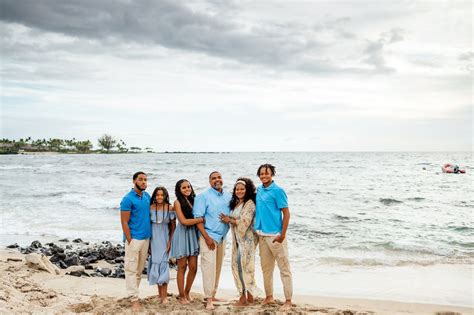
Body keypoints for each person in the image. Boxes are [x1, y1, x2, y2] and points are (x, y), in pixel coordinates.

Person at [254, 164, 293, 311]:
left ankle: (288, 301)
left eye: (266, 173)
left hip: (276, 236)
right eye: (261, 174)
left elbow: (286, 213)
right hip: (262, 236)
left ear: (272, 174)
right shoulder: (259, 190)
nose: (264, 176)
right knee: (266, 269)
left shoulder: (278, 191)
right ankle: (269, 297)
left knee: (284, 269)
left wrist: (282, 235)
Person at [193, 171, 232, 310]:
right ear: (210, 181)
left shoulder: (228, 195)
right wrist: (207, 238)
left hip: (222, 237)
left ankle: (213, 294)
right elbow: (198, 219)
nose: (217, 180)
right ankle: (208, 299)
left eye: (219, 177)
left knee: (217, 268)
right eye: (214, 178)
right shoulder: (203, 197)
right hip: (208, 237)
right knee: (208, 268)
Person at [220, 177, 258, 306]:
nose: (239, 191)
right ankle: (243, 295)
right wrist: (227, 219)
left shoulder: (250, 203)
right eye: (237, 189)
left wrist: (229, 220)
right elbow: (235, 218)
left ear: (247, 190)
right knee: (237, 267)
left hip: (247, 241)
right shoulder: (236, 203)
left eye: (242, 189)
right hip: (237, 241)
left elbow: (244, 223)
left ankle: (248, 296)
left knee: (246, 267)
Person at [120, 171, 151, 311]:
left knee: (139, 270)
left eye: (145, 180)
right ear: (134, 181)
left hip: (146, 239)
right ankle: (134, 299)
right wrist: (130, 240)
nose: (143, 182)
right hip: (134, 239)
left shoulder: (146, 196)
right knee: (131, 269)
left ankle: (134, 294)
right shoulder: (127, 199)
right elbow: (124, 222)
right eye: (140, 179)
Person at [169, 179, 204, 304]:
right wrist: (200, 220)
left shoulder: (195, 200)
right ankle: (181, 295)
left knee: (193, 267)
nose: (187, 189)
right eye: (184, 187)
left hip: (193, 235)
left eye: (189, 186)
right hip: (183, 234)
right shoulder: (177, 202)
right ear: (179, 190)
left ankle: (187, 292)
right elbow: (183, 221)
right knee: (182, 267)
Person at [147, 186, 176, 304]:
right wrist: (148, 243)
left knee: (163, 265)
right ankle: (160, 295)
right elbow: (147, 225)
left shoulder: (170, 208)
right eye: (157, 195)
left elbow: (173, 226)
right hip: (153, 239)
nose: (159, 197)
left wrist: (170, 241)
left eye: (162, 195)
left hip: (165, 239)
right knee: (156, 265)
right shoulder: (150, 208)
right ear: (154, 196)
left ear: (165, 196)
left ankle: (164, 296)